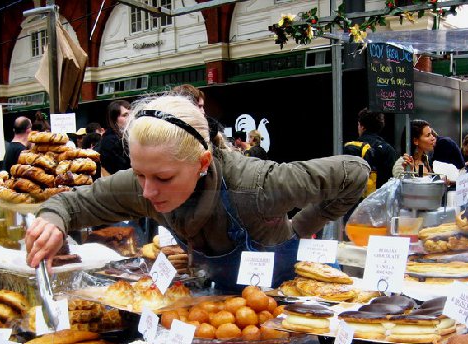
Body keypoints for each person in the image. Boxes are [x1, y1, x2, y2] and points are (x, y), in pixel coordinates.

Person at [25, 94, 370, 290]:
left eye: (162, 178)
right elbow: (71, 203)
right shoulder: (142, 185)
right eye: (141, 174)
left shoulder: (259, 185)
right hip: (220, 299)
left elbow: (354, 173)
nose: (147, 192)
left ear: (203, 161)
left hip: (286, 300)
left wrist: (302, 225)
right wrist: (53, 220)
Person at [350, 108, 397, 188]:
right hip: (380, 198)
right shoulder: (388, 149)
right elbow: (391, 181)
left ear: (362, 126)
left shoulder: (351, 147)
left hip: (355, 198)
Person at [98, 100, 131, 175]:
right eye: (125, 115)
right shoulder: (110, 141)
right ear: (114, 119)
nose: (130, 117)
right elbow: (121, 170)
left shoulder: (130, 136)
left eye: (131, 114)